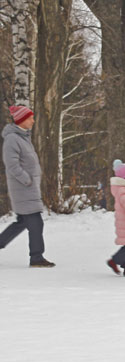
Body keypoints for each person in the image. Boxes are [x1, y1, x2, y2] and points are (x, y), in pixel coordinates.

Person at [1, 105, 54, 267]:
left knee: (23, 222)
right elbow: (12, 165)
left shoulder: (23, 137)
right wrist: (27, 179)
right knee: (36, 223)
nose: (33, 120)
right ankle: (36, 257)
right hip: (23, 188)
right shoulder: (12, 139)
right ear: (22, 120)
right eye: (30, 118)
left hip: (29, 188)